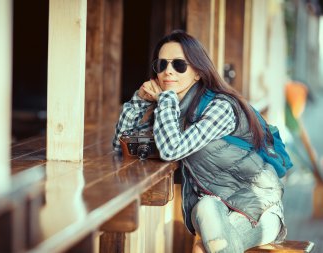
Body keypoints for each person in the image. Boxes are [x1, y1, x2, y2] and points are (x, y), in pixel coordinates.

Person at [112, 30, 286, 253]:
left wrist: (165, 99)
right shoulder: (174, 112)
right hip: (212, 207)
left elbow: (172, 150)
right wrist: (139, 100)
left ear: (197, 72)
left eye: (179, 65)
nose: (168, 72)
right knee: (205, 208)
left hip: (259, 210)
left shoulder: (220, 107)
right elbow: (121, 147)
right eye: (161, 65)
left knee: (205, 248)